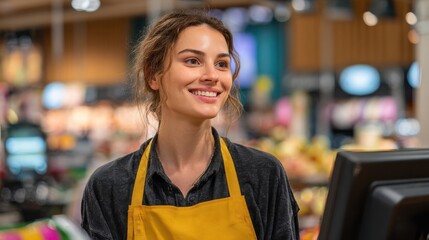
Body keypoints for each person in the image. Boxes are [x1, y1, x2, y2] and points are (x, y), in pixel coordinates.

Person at [81, 9, 300, 240]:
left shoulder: (263, 175)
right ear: (153, 75)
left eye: (222, 64)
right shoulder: (110, 186)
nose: (212, 75)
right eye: (193, 61)